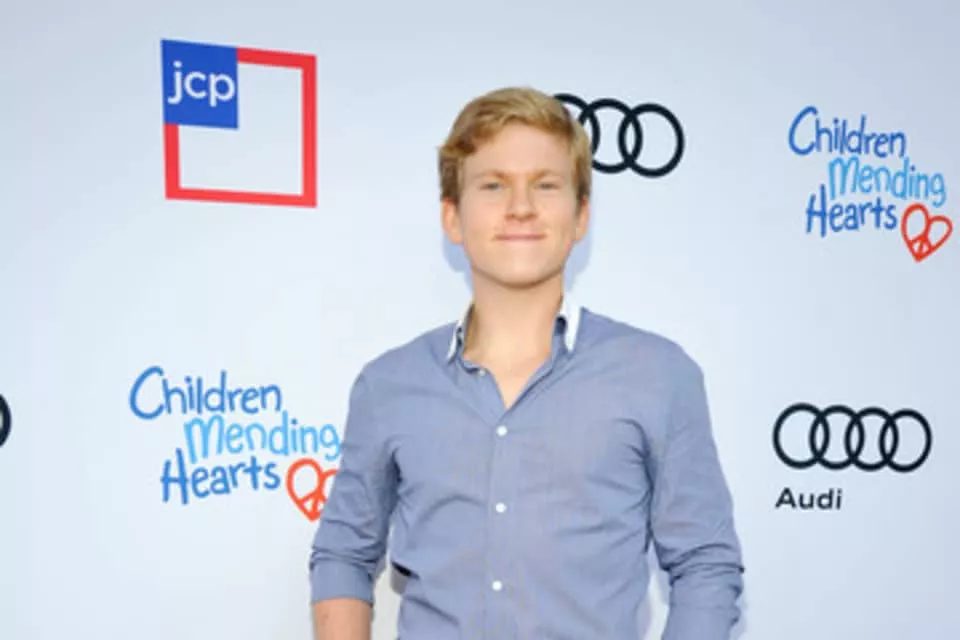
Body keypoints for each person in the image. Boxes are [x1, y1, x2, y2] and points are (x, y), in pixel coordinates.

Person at [309, 86, 744, 640]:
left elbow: (706, 565)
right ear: (452, 217)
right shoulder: (388, 386)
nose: (520, 207)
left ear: (580, 216)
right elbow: (344, 552)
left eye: (545, 184)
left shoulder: (658, 376)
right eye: (493, 185)